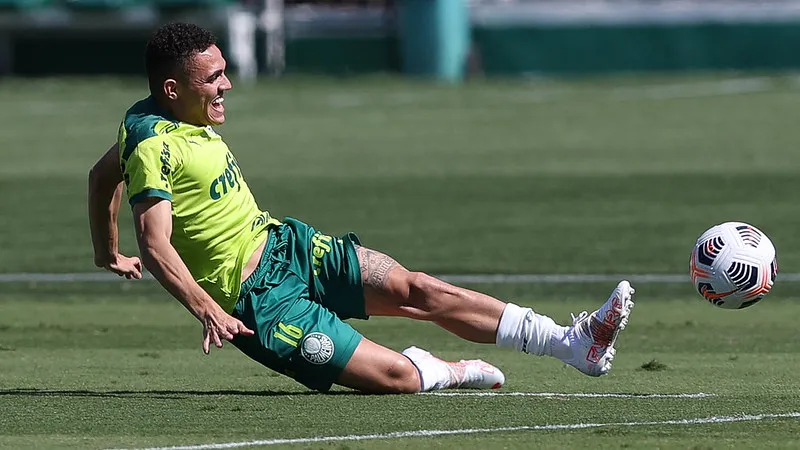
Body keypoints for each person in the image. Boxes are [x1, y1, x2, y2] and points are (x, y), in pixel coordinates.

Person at [88, 23, 636, 394]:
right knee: (398, 379)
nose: (227, 84)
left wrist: (103, 251)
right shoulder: (151, 142)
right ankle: (446, 369)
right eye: (212, 79)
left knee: (419, 288)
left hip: (286, 245)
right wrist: (206, 308)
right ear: (171, 87)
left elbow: (100, 176)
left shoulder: (161, 123)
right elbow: (156, 246)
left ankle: (574, 343)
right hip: (259, 307)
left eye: (224, 71)